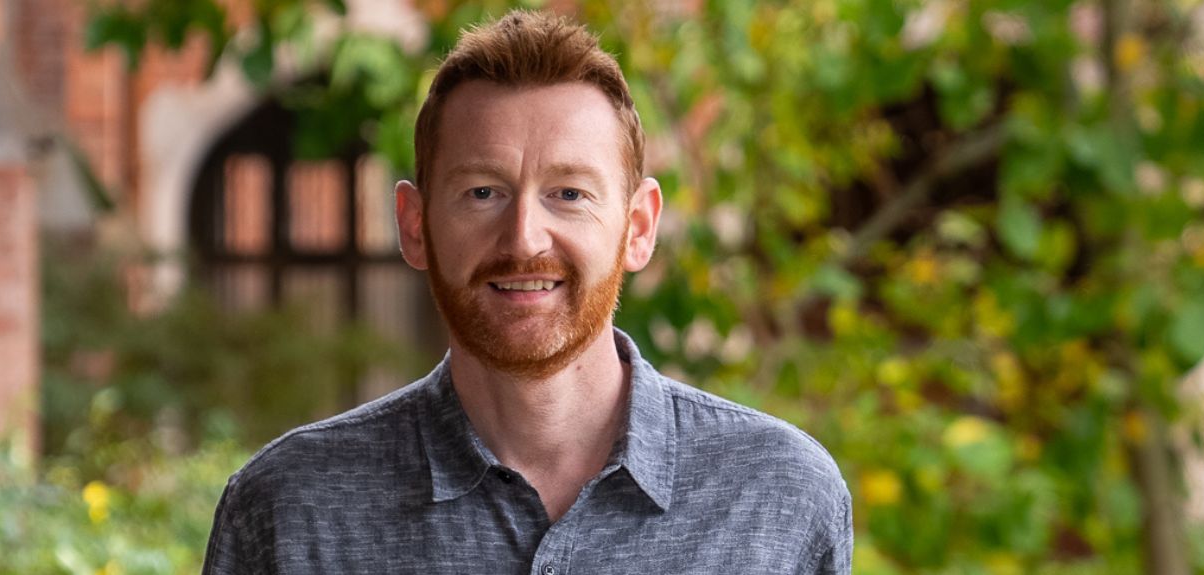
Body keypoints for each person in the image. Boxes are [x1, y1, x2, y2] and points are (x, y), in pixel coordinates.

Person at [202, 10, 851, 574]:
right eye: (482, 192)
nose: (524, 237)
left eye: (569, 194)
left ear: (639, 228)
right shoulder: (289, 510)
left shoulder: (781, 495)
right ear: (414, 225)